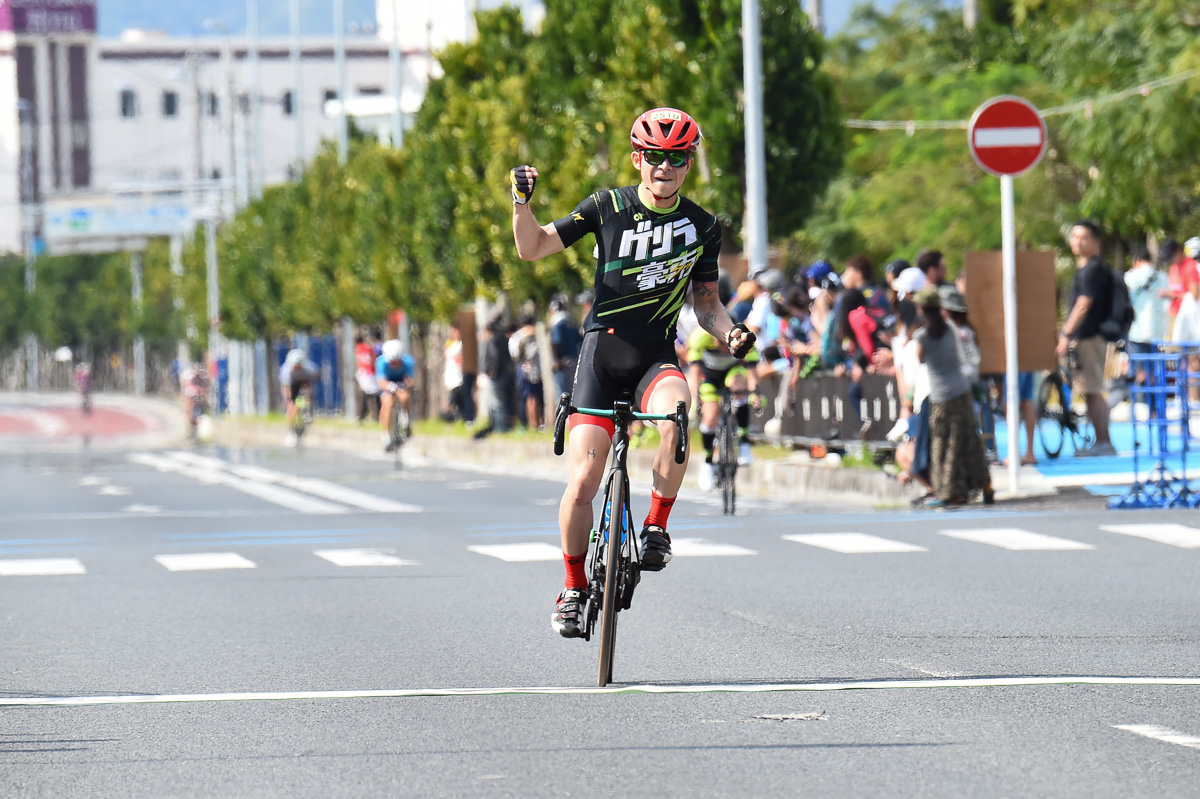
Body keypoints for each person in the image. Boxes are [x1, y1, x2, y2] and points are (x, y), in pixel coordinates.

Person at [511, 106, 755, 638]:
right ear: (637, 158)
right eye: (654, 157)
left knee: (678, 411)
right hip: (603, 354)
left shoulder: (703, 227)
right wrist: (521, 204)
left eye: (677, 158)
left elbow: (707, 304)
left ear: (689, 163)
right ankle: (573, 588)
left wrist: (729, 331)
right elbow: (532, 248)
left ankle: (655, 528)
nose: (664, 167)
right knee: (583, 482)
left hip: (653, 355)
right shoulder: (607, 206)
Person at [913, 286, 993, 507]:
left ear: (921, 309)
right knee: (970, 440)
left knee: (943, 445)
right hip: (962, 391)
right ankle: (985, 485)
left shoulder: (922, 336)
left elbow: (920, 359)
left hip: (941, 396)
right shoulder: (950, 327)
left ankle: (949, 493)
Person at [1057, 220, 1116, 457]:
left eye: (1083, 237)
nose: (1077, 241)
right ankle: (1101, 441)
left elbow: (1083, 305)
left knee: (1093, 390)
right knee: (1090, 390)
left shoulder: (1093, 269)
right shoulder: (1085, 268)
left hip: (1090, 337)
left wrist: (1065, 333)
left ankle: (1104, 442)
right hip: (1086, 337)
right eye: (1074, 236)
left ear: (1095, 241)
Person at [1125, 247, 1169, 391]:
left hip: (1136, 331)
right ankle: (1155, 408)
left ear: (1136, 261)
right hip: (1157, 331)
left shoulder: (1131, 276)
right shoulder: (1162, 276)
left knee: (1140, 370)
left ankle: (1142, 402)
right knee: (1154, 369)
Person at [376, 339, 415, 450]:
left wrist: (405, 386)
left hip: (401, 381)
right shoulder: (381, 362)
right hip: (387, 382)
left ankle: (406, 418)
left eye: (397, 362)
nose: (394, 365)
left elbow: (410, 381)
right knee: (387, 403)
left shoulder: (408, 362)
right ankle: (386, 433)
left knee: (405, 397)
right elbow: (381, 382)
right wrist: (390, 387)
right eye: (391, 362)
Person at [279, 348, 319, 446]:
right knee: (291, 405)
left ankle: (308, 414)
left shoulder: (309, 368)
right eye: (294, 366)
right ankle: (291, 430)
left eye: (298, 366)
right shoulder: (286, 370)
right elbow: (286, 388)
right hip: (292, 384)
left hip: (304, 381)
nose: (296, 368)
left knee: (308, 396)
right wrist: (288, 400)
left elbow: (316, 377)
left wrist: (309, 396)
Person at [511, 314, 545, 429]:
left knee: (529, 398)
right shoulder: (538, 334)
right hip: (538, 371)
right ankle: (535, 423)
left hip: (526, 370)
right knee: (534, 397)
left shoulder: (517, 337)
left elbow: (515, 355)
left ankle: (533, 424)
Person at [548, 294, 582, 401]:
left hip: (563, 363)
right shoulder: (571, 322)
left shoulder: (557, 324)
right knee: (574, 392)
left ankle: (564, 417)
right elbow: (580, 340)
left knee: (562, 394)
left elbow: (557, 342)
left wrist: (556, 360)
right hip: (574, 360)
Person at [441, 322, 467, 422]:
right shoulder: (449, 343)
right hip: (451, 371)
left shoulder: (462, 344)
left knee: (458, 392)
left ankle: (452, 411)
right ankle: (452, 413)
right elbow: (446, 354)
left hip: (459, 372)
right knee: (454, 392)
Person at [355, 332, 381, 424]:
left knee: (367, 394)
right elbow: (373, 358)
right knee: (374, 393)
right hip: (370, 372)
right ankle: (375, 415)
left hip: (364, 373)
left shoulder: (358, 348)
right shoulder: (368, 348)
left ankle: (364, 416)